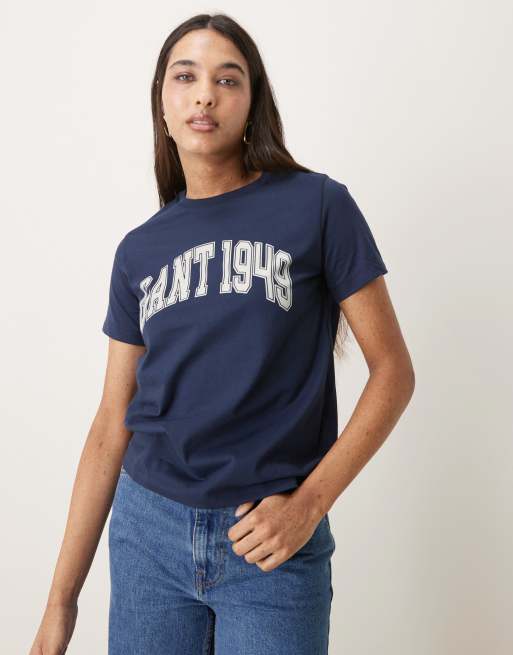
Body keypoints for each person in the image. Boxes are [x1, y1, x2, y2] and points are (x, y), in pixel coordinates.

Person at [29, 13, 415, 655]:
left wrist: (308, 506)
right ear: (162, 103)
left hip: (269, 542)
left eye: (227, 79)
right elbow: (110, 424)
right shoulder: (139, 251)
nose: (205, 94)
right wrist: (59, 603)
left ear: (252, 101)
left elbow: (393, 372)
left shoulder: (319, 206)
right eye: (186, 77)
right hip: (148, 536)